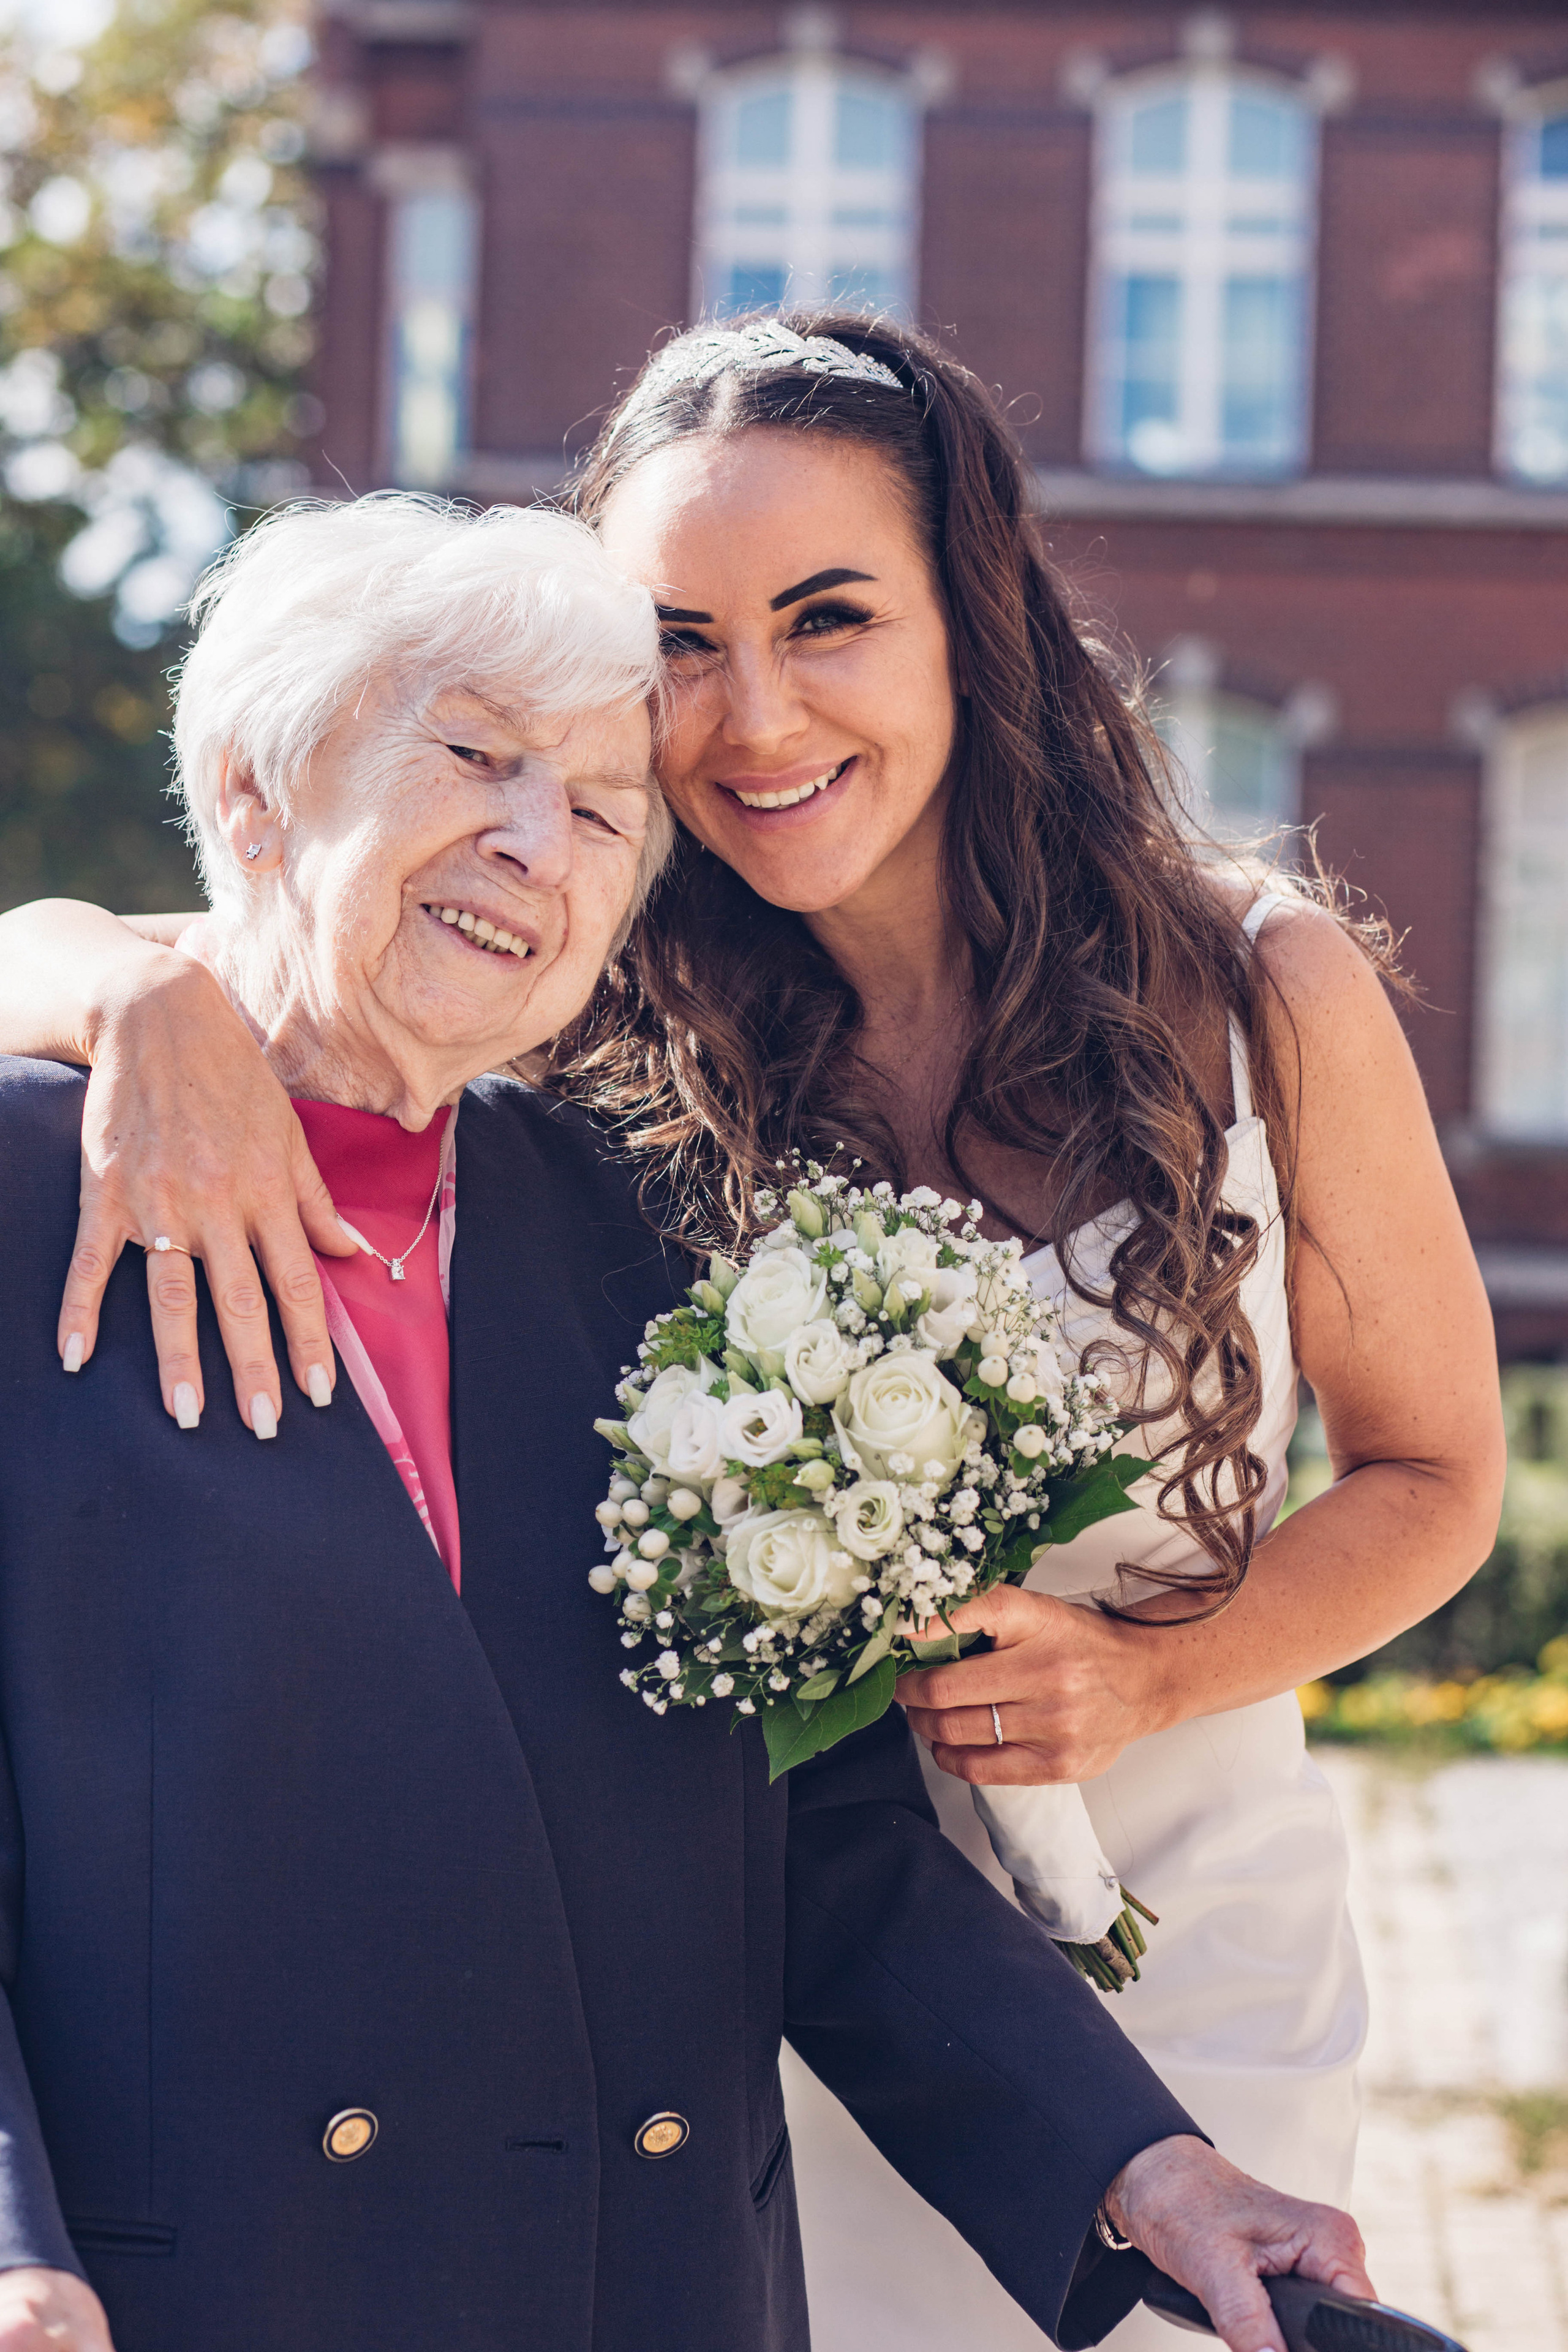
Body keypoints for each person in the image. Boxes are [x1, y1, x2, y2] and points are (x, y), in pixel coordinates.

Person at [0, 314, 1499, 2347]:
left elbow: (1429, 1478)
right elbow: (198, 928)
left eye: (826, 619)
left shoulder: (1200, 1003)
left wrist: (1146, 1717)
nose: (741, 719)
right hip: (511, 2092)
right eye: (675, 647)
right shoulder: (567, 1063)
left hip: (1073, 1974)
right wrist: (126, 1005)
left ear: (968, 626)